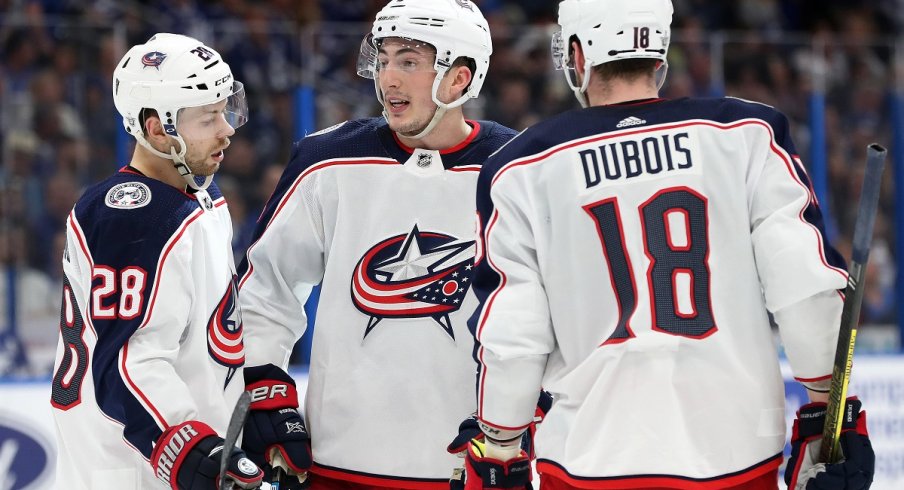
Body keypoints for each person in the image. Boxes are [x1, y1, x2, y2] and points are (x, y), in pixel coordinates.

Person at [460, 1, 875, 489]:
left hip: (590, 461)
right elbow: (806, 286)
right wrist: (832, 412)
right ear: (659, 55)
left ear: (578, 55)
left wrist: (500, 446)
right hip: (735, 457)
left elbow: (514, 333)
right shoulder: (745, 134)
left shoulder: (522, 166)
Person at [236, 0, 518, 488]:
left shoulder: (518, 170)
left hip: (466, 468)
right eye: (382, 59)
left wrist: (522, 416)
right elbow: (266, 288)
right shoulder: (326, 159)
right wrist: (265, 383)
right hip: (335, 464)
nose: (387, 79)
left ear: (459, 79)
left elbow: (548, 311)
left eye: (408, 62)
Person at [50, 33, 263, 490]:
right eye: (208, 118)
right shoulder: (132, 213)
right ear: (156, 128)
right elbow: (128, 359)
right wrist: (184, 443)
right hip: (129, 467)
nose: (227, 129)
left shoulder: (197, 196)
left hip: (168, 456)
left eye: (226, 110)